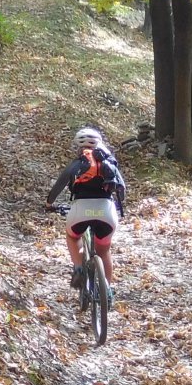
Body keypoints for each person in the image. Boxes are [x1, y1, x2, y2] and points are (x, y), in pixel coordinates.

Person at [45, 126, 128, 297]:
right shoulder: (109, 163)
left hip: (80, 212)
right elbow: (122, 190)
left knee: (72, 236)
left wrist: (49, 203)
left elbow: (58, 186)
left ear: (78, 147)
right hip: (106, 212)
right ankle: (107, 291)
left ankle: (79, 268)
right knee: (104, 251)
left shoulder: (76, 164)